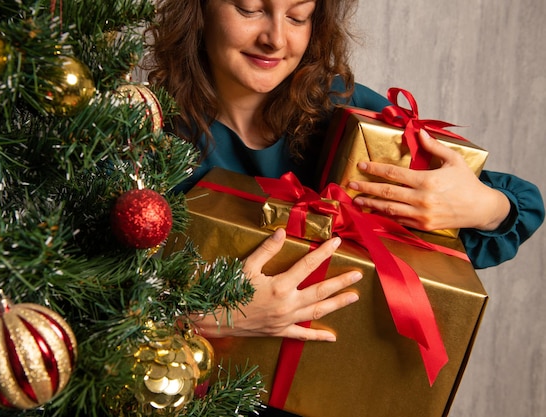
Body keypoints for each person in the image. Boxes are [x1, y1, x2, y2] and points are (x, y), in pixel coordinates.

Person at [145, 0, 544, 413]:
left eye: (298, 16)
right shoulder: (146, 130)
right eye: (250, 9)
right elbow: (91, 299)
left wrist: (482, 205)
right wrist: (200, 316)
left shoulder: (338, 108)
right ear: (199, 9)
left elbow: (518, 205)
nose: (275, 39)